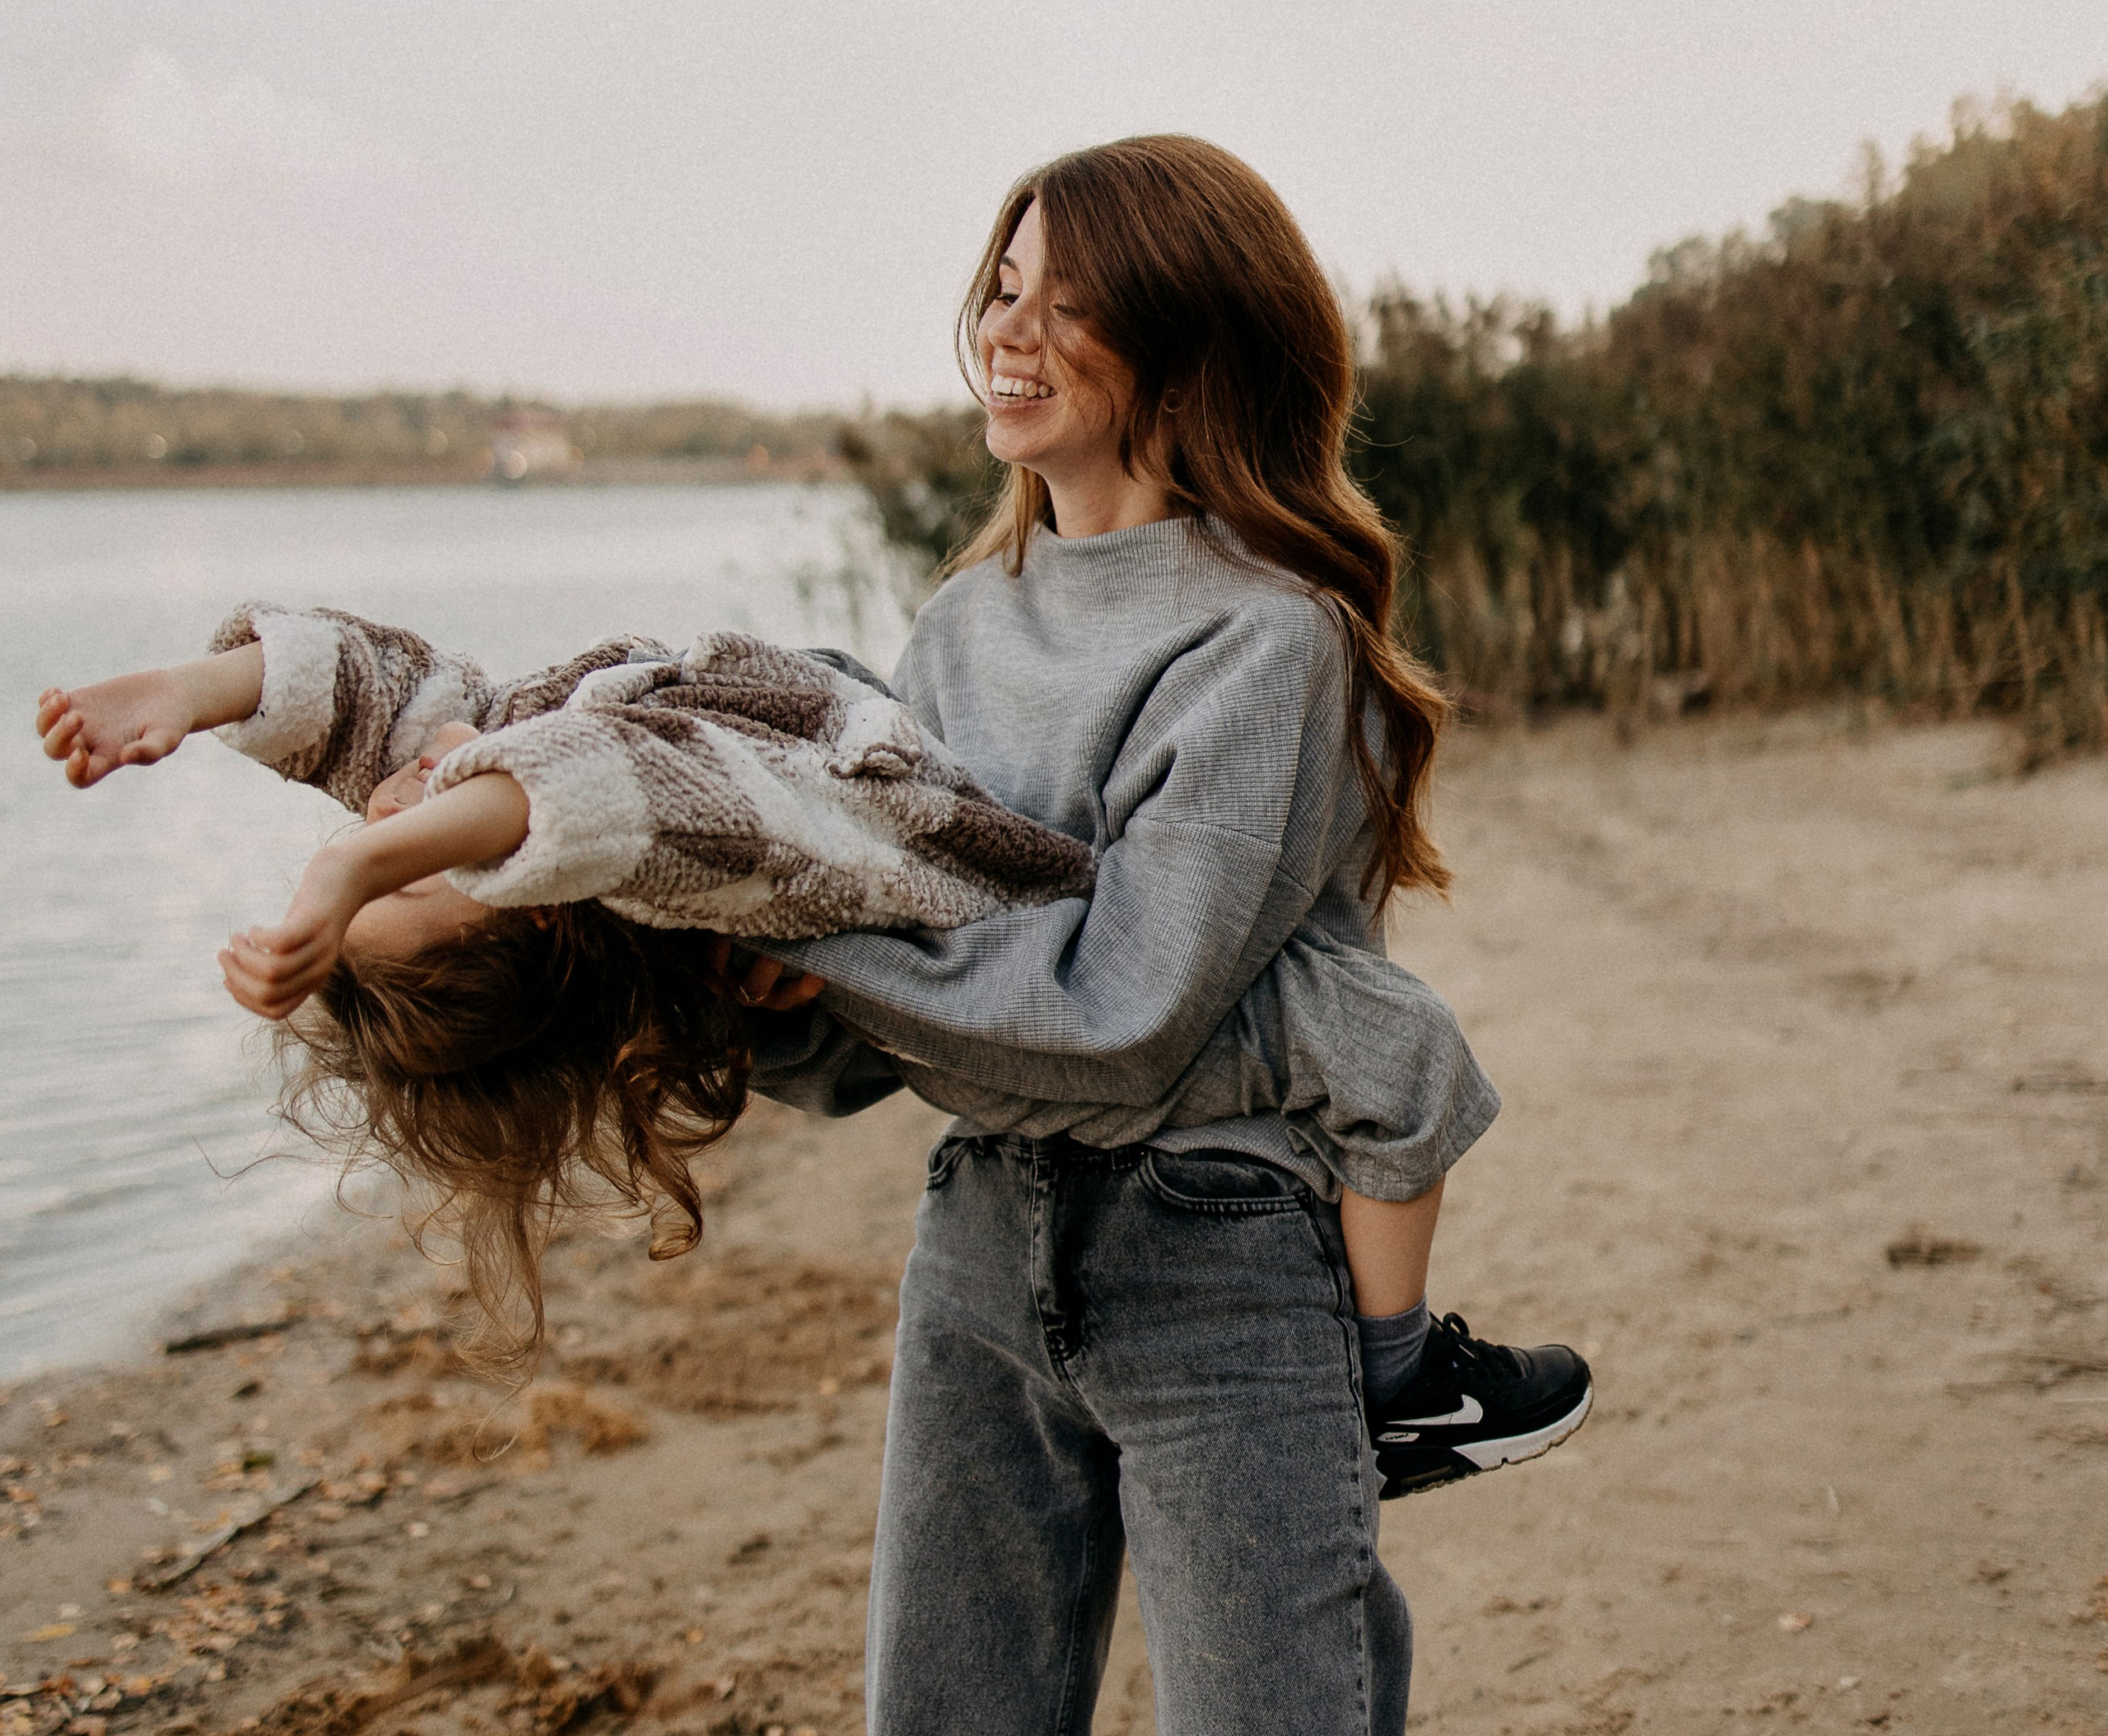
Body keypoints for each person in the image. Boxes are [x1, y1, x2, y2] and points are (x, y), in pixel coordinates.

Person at [720, 137, 1628, 1736]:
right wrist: (761, 1001)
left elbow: (1122, 1002)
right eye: (991, 287)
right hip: (978, 1269)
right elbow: (906, 1046)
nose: (1003, 333)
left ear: (1183, 334)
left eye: (1062, 297)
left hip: (1225, 1280)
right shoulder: (954, 630)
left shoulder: (1271, 640)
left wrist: (851, 959)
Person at [32, 607, 1565, 1483]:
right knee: (1383, 1052)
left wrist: (189, 690)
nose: (392, 820)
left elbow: (384, 692)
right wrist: (356, 875)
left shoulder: (483, 757)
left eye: (392, 834)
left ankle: (1389, 1354)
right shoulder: (650, 832)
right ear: (540, 898)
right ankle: (1397, 1371)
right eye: (434, 876)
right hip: (1017, 946)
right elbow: (607, 783)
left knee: (1361, 1046)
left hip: (945, 804)